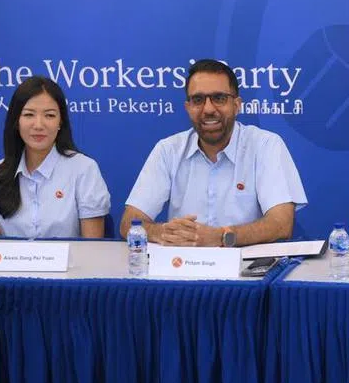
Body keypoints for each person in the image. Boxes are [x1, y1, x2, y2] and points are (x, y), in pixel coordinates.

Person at [120, 59, 307, 247]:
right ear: (188, 108)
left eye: (219, 98)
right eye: (198, 100)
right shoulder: (168, 150)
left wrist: (220, 237)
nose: (208, 109)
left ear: (237, 105)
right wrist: (162, 233)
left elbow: (282, 225)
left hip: (249, 270)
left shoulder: (266, 145)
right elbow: (129, 222)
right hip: (182, 268)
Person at [0, 76, 110, 238]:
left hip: (72, 264)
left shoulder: (84, 169)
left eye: (49, 115)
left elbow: (93, 251)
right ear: (16, 121)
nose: (39, 125)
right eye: (29, 115)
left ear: (60, 121)